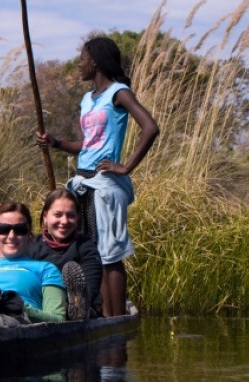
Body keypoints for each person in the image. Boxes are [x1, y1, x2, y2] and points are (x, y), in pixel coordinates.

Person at [36, 36, 160, 316]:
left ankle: (114, 320)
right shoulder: (86, 99)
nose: (78, 65)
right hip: (82, 181)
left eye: (82, 59)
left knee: (109, 256)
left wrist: (125, 166)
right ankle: (98, 313)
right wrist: (56, 143)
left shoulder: (119, 92)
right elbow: (88, 143)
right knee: (89, 253)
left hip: (104, 184)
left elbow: (150, 127)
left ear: (95, 60)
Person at [28, 188, 103, 320]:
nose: (64, 221)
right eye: (58, 215)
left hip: (79, 309)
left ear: (78, 217)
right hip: (43, 307)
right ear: (45, 217)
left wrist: (72, 304)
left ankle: (77, 309)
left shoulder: (85, 247)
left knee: (80, 305)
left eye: (70, 215)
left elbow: (91, 284)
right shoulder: (32, 246)